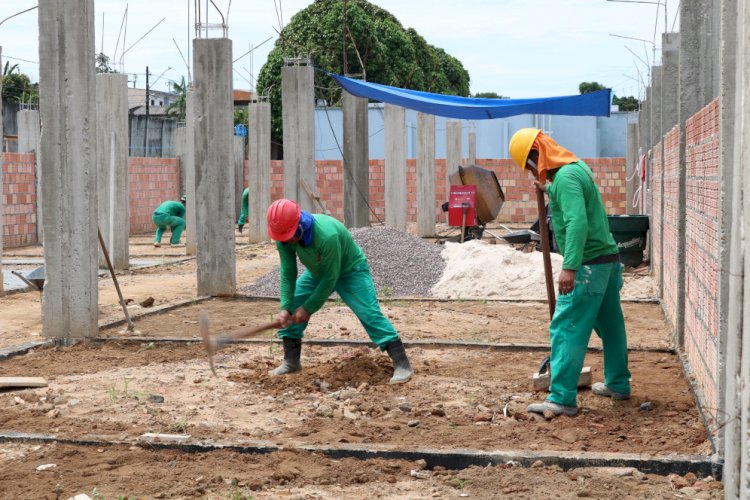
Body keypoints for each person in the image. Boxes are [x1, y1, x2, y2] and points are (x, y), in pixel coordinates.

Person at [508, 128, 631, 417]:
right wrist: (546, 189)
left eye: (528, 165)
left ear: (537, 156)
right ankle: (618, 383)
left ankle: (562, 396)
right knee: (611, 327)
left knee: (566, 326)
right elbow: (574, 199)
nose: (531, 172)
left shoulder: (564, 178)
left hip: (588, 266)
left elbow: (577, 223)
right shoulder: (575, 169)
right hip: (607, 261)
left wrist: (570, 267)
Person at [266, 198, 413, 384]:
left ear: (298, 224)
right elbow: (287, 273)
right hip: (318, 271)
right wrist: (286, 308)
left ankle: (402, 364)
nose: (288, 240)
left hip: (351, 271)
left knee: (369, 313)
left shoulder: (326, 235)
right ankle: (291, 361)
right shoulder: (283, 237)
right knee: (294, 302)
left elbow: (330, 278)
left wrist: (308, 308)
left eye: (290, 235)